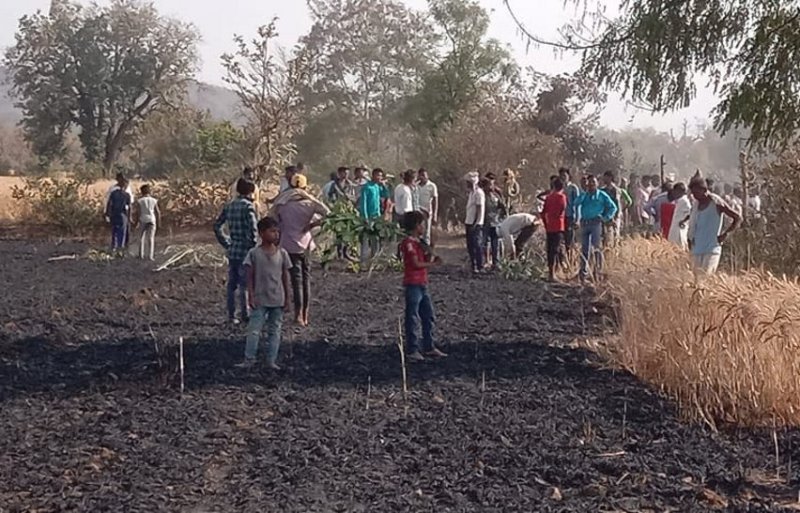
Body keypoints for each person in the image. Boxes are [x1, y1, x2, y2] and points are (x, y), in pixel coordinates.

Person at [272, 174, 331, 326]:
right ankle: (305, 314)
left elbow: (273, 220)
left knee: (296, 280)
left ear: (291, 186)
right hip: (306, 244)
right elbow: (329, 215)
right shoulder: (310, 203)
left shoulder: (282, 203)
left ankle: (298, 315)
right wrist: (312, 225)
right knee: (306, 280)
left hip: (289, 245)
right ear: (304, 187)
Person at [238, 217, 292, 370]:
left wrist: (288, 299)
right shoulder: (254, 253)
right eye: (272, 231)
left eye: (277, 231)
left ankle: (271, 361)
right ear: (261, 233)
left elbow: (285, 277)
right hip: (260, 298)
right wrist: (251, 295)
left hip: (277, 298)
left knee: (274, 331)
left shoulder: (282, 253)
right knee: (254, 330)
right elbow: (249, 277)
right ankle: (249, 359)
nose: (276, 234)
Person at [400, 211, 447, 362]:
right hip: (413, 283)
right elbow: (416, 263)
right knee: (413, 317)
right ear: (416, 226)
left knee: (428, 316)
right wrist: (433, 264)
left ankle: (428, 346)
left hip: (421, 283)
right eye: (422, 224)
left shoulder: (418, 243)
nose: (423, 227)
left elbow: (425, 258)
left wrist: (433, 245)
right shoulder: (408, 243)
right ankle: (413, 349)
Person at [214, 178, 259, 325]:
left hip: (233, 249)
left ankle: (231, 315)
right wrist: (252, 246)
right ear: (250, 192)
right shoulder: (248, 207)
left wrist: (226, 242)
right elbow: (253, 230)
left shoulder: (229, 206)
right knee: (244, 284)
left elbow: (217, 226)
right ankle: (245, 314)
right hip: (245, 250)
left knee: (231, 285)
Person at [688, 176, 741, 275]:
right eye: (693, 193)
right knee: (695, 281)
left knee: (705, 279)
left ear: (704, 190)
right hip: (697, 248)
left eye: (696, 193)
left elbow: (737, 217)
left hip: (711, 248)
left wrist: (726, 234)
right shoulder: (696, 205)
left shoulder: (716, 202)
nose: (694, 196)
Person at [573, 175, 617, 283]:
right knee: (585, 249)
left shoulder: (602, 195)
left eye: (593, 182)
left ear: (597, 183)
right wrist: (584, 193)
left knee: (597, 248)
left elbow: (613, 207)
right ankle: (583, 273)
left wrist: (605, 217)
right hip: (585, 223)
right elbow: (576, 203)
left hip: (596, 223)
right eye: (590, 182)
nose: (591, 184)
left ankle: (597, 272)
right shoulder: (585, 195)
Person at [358, 168, 388, 264]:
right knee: (366, 239)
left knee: (376, 239)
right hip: (368, 217)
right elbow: (364, 203)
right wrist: (365, 217)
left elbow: (386, 195)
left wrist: (384, 186)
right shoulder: (367, 187)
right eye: (377, 175)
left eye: (381, 176)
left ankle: (374, 260)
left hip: (377, 216)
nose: (379, 177)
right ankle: (363, 261)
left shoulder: (377, 187)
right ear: (373, 176)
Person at [541, 177, 567, 281]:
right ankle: (555, 273)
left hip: (549, 226)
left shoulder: (548, 197)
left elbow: (543, 212)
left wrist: (545, 223)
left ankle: (551, 273)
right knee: (557, 249)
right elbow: (562, 209)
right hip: (559, 225)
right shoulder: (562, 197)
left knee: (550, 249)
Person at [106, 172, 135, 248]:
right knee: (122, 232)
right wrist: (130, 217)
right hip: (123, 214)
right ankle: (120, 248)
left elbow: (109, 203)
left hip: (114, 214)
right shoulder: (124, 193)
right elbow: (130, 205)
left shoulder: (114, 192)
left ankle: (115, 247)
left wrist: (107, 214)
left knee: (115, 231)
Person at [464, 172, 486, 274]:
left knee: (477, 245)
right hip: (469, 222)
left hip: (475, 224)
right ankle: (473, 266)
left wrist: (476, 223)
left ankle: (479, 266)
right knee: (470, 245)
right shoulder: (471, 193)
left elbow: (479, 209)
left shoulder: (479, 193)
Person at [482, 178, 505, 269]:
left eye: (492, 184)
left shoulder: (496, 196)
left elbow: (502, 206)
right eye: (490, 185)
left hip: (495, 222)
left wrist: (502, 216)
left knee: (495, 243)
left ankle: (496, 262)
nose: (491, 186)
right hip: (485, 222)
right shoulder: (482, 195)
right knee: (486, 243)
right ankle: (487, 261)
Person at [601, 171, 628, 247]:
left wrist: (615, 216)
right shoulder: (602, 190)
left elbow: (617, 203)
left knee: (615, 234)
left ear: (610, 178)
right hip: (605, 215)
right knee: (605, 235)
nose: (604, 179)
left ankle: (615, 251)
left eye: (605, 177)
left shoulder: (616, 190)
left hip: (615, 216)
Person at [135, 184, 161, 261]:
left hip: (143, 219)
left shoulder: (140, 201)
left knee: (140, 238)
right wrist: (159, 222)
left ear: (142, 192)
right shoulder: (154, 200)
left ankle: (141, 254)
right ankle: (150, 256)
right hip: (152, 219)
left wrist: (136, 222)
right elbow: (158, 212)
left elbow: (138, 213)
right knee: (151, 238)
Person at [559, 167, 581, 257]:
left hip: (570, 216)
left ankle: (571, 260)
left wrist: (578, 219)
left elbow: (577, 204)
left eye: (564, 175)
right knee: (560, 240)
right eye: (561, 176)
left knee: (569, 240)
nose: (563, 178)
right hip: (561, 217)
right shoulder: (559, 188)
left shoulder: (573, 188)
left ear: (568, 176)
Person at [416, 168, 439, 245]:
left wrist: (435, 214)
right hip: (417, 212)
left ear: (427, 176)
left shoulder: (432, 186)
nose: (422, 177)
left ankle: (426, 251)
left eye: (424, 175)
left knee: (426, 233)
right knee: (418, 232)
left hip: (427, 212)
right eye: (421, 175)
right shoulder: (415, 186)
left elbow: (435, 200)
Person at [668, 182, 692, 250]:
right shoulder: (679, 201)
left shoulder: (684, 201)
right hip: (675, 228)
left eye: (675, 191)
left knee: (679, 247)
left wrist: (683, 221)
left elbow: (690, 213)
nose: (674, 193)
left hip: (679, 229)